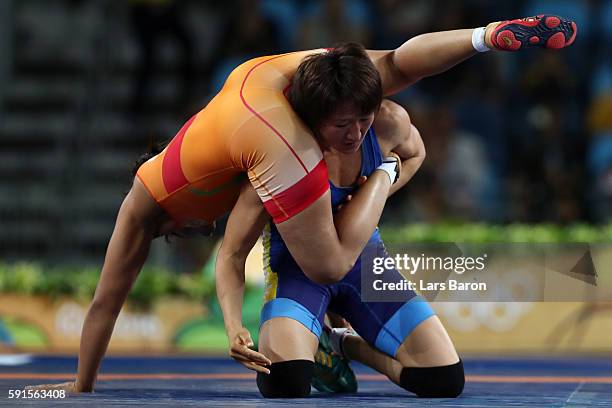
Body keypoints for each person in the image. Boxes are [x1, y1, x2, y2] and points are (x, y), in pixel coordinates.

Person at [28, 14, 576, 393]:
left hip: (262, 108)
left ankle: (486, 36)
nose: (357, 129)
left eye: (360, 119)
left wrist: (377, 177)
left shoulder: (362, 126)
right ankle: (330, 344)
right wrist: (229, 328)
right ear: (313, 119)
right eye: (345, 123)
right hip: (257, 88)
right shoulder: (260, 175)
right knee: (286, 378)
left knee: (437, 375)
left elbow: (106, 301)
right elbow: (228, 253)